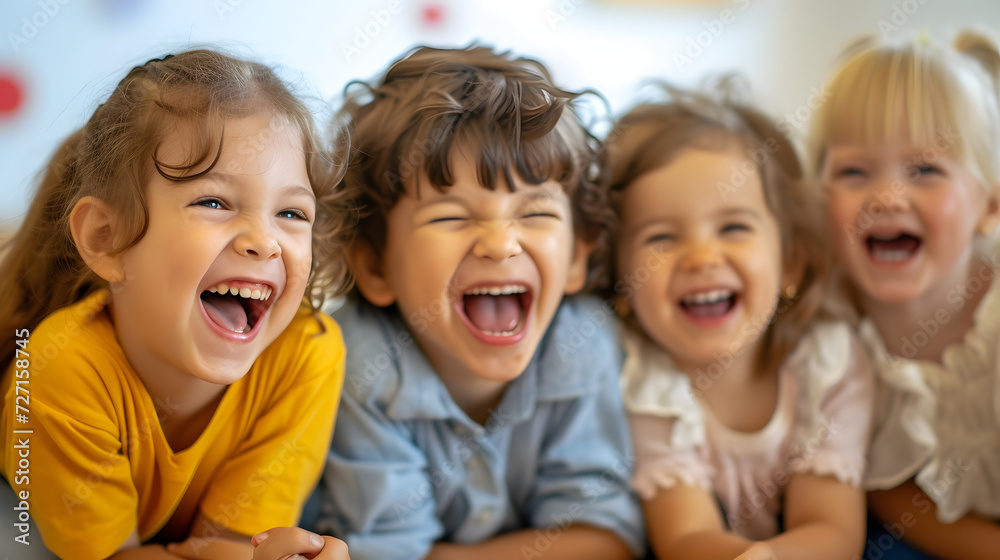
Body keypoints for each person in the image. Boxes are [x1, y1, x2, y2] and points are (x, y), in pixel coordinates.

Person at [0, 50, 350, 560]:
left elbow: (228, 545)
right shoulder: (58, 373)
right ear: (108, 239)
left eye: (292, 212)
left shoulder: (308, 354)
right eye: (213, 202)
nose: (265, 241)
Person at [301, 45, 645, 560]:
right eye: (449, 217)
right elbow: (387, 553)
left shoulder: (585, 342)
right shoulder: (356, 362)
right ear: (374, 266)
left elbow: (604, 540)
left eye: (536, 215)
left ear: (578, 254)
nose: (501, 243)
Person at [605, 85, 874, 560]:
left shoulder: (827, 362)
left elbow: (832, 531)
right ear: (622, 284)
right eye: (662, 237)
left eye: (733, 227)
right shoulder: (642, 381)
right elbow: (685, 537)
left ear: (790, 261)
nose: (702, 256)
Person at [811, 31, 1000, 560]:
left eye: (924, 170)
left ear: (990, 205)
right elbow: (881, 490)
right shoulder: (829, 332)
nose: (886, 197)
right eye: (854, 171)